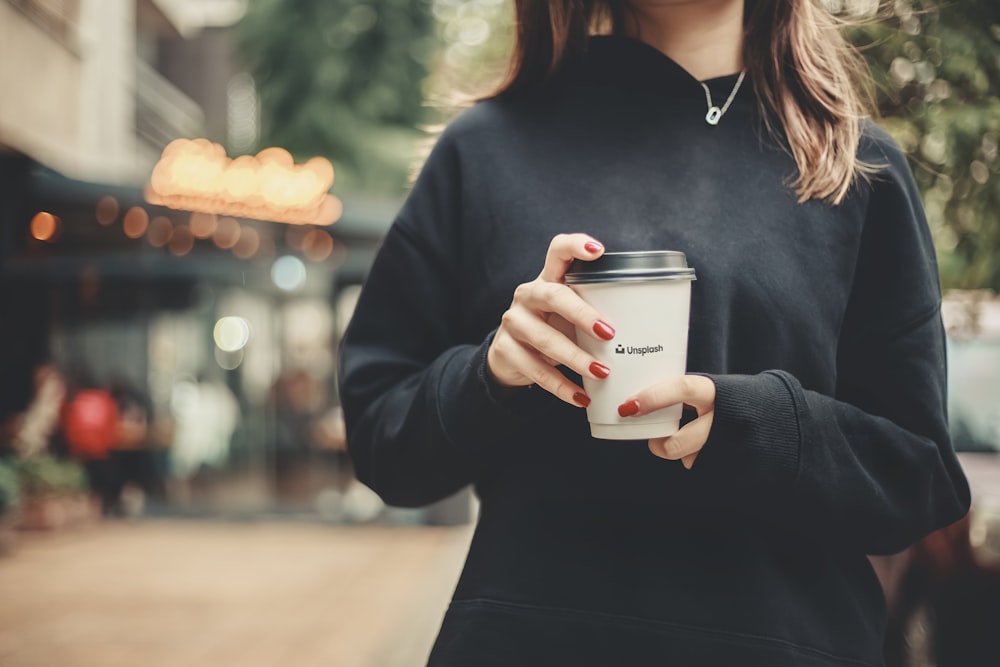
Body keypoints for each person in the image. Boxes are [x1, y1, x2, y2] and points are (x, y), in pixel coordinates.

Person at [338, 1, 971, 664]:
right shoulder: (484, 147)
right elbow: (382, 438)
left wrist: (766, 427)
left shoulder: (855, 165)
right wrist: (489, 374)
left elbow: (919, 478)